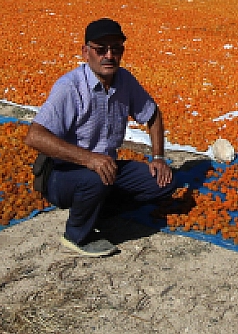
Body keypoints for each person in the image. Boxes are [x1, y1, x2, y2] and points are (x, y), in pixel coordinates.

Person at [25, 17, 172, 257]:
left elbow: (153, 114)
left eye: (116, 49)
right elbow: (34, 136)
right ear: (86, 52)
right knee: (95, 178)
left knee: (163, 182)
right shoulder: (71, 86)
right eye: (101, 49)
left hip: (105, 168)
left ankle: (98, 208)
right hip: (63, 174)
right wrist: (89, 159)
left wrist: (158, 158)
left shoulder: (124, 81)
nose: (109, 56)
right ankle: (76, 236)